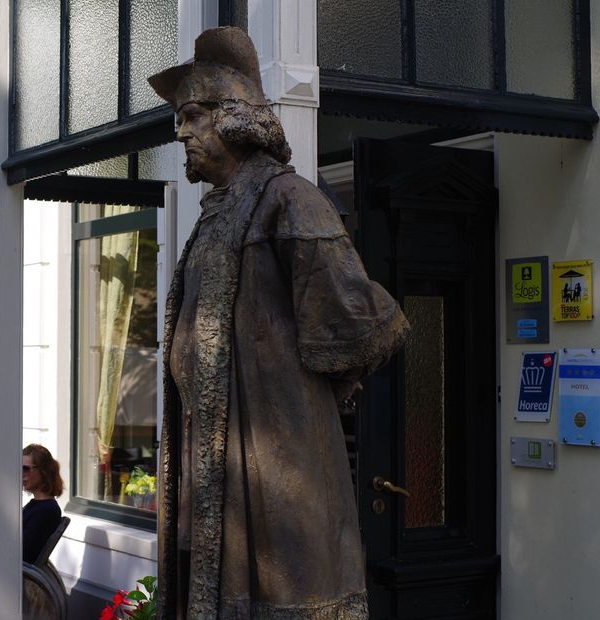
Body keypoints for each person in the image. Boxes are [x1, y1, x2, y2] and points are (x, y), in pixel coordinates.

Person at [147, 27, 409, 618]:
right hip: (216, 467)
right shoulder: (216, 214)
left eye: (192, 115)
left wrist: (295, 391)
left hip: (272, 473)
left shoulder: (291, 200)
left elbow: (358, 323)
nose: (181, 132)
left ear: (235, 116)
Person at [22, 444, 64, 564]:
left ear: (43, 472)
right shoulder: (38, 505)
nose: (21, 473)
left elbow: (24, 553)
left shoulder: (46, 510)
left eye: (25, 468)